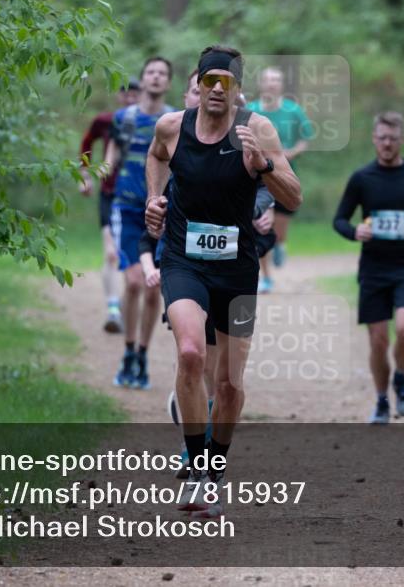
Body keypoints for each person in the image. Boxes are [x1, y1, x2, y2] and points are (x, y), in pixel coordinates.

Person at [145, 45, 301, 514]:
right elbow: (156, 156)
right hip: (182, 260)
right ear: (198, 83)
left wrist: (263, 167)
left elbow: (293, 196)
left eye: (226, 82)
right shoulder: (172, 126)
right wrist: (154, 199)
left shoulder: (257, 129)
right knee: (191, 353)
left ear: (237, 88)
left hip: (236, 267)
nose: (216, 89)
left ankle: (214, 469)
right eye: (208, 80)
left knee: (230, 383)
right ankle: (194, 472)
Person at [333, 111, 404, 425]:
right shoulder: (361, 178)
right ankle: (383, 400)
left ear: (402, 141)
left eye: (392, 139)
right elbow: (339, 220)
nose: (387, 144)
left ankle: (400, 376)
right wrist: (354, 231)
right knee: (378, 340)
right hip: (373, 268)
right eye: (382, 138)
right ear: (374, 139)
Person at [109, 58, 175, 389]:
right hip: (127, 210)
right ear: (143, 79)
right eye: (151, 72)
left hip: (163, 212)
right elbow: (110, 162)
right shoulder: (123, 119)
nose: (156, 77)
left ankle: (143, 355)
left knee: (153, 290)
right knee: (134, 282)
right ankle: (128, 351)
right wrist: (89, 179)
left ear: (168, 82)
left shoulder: (176, 121)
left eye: (162, 73)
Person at [79, 81, 140, 333]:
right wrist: (85, 176)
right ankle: (113, 309)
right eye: (125, 94)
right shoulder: (105, 121)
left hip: (138, 198)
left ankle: (128, 307)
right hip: (110, 194)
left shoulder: (152, 122)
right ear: (118, 96)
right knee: (111, 253)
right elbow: (86, 144)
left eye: (134, 95)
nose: (129, 99)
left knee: (133, 259)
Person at [248, 66, 314, 293]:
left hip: (283, 176)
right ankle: (265, 277)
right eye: (268, 79)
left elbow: (306, 138)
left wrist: (290, 154)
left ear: (281, 85)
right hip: (256, 178)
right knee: (261, 226)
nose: (272, 84)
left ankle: (280, 244)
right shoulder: (250, 110)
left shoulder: (293, 110)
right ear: (261, 84)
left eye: (276, 80)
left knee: (278, 229)